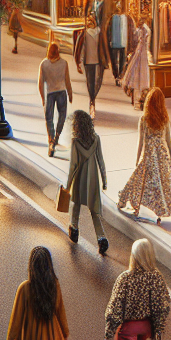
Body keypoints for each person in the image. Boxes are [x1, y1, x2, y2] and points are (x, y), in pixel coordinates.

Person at [117, 87, 171, 224]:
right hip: (161, 154)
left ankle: (132, 204)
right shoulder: (164, 118)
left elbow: (140, 141)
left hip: (149, 155)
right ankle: (160, 212)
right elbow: (168, 139)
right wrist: (170, 158)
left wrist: (137, 159)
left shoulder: (144, 119)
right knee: (160, 185)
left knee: (140, 182)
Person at [67, 108, 109, 255]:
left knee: (76, 206)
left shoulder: (75, 142)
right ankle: (101, 237)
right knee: (94, 211)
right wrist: (104, 180)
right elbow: (101, 161)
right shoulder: (96, 139)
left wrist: (67, 186)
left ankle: (74, 228)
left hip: (80, 179)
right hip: (93, 180)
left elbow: (73, 165)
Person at [38, 42, 73, 157]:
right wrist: (70, 93)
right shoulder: (64, 63)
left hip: (50, 94)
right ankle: (57, 136)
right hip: (61, 93)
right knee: (62, 116)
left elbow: (40, 83)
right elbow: (67, 80)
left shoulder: (44, 64)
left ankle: (51, 140)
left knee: (49, 119)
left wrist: (43, 98)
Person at [73, 11, 110, 113]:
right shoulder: (84, 34)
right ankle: (92, 101)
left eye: (92, 20)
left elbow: (105, 47)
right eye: (88, 20)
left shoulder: (100, 33)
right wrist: (78, 63)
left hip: (99, 62)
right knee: (90, 83)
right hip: (88, 62)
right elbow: (78, 49)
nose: (90, 22)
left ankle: (92, 98)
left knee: (98, 82)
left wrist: (106, 60)